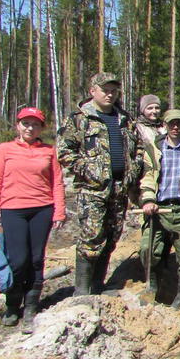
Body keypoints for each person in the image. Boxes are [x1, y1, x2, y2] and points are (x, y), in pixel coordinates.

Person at [57, 72, 144, 296]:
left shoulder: (124, 119)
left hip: (119, 189)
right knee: (91, 237)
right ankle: (82, 290)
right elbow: (65, 152)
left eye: (114, 90)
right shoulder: (79, 118)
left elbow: (138, 149)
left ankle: (98, 285)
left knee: (112, 235)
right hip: (92, 190)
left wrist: (133, 170)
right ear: (92, 91)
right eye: (105, 90)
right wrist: (89, 171)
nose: (110, 94)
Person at [0, 107, 66, 332]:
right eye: (26, 123)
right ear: (18, 125)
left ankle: (31, 306)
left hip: (42, 209)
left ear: (41, 128)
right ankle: (12, 305)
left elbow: (57, 183)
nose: (30, 128)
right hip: (13, 210)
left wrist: (59, 211)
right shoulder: (4, 150)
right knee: (18, 260)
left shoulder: (49, 151)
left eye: (35, 124)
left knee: (37, 259)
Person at [138, 109, 180, 309]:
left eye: (179, 123)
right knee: (149, 249)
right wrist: (147, 199)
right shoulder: (153, 149)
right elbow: (147, 176)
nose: (175, 127)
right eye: (171, 123)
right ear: (164, 125)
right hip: (158, 208)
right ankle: (153, 287)